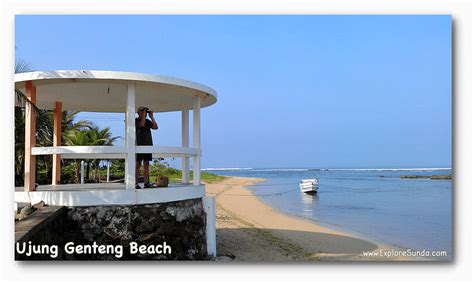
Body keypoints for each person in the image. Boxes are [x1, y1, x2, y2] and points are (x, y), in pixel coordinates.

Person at [135, 106, 158, 189]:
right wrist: (144, 115)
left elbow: (155, 127)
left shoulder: (148, 121)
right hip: (139, 146)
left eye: (145, 111)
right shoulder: (136, 121)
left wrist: (151, 116)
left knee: (146, 166)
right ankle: (135, 183)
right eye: (142, 111)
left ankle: (146, 183)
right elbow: (142, 124)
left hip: (148, 145)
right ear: (139, 113)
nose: (144, 113)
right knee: (137, 165)